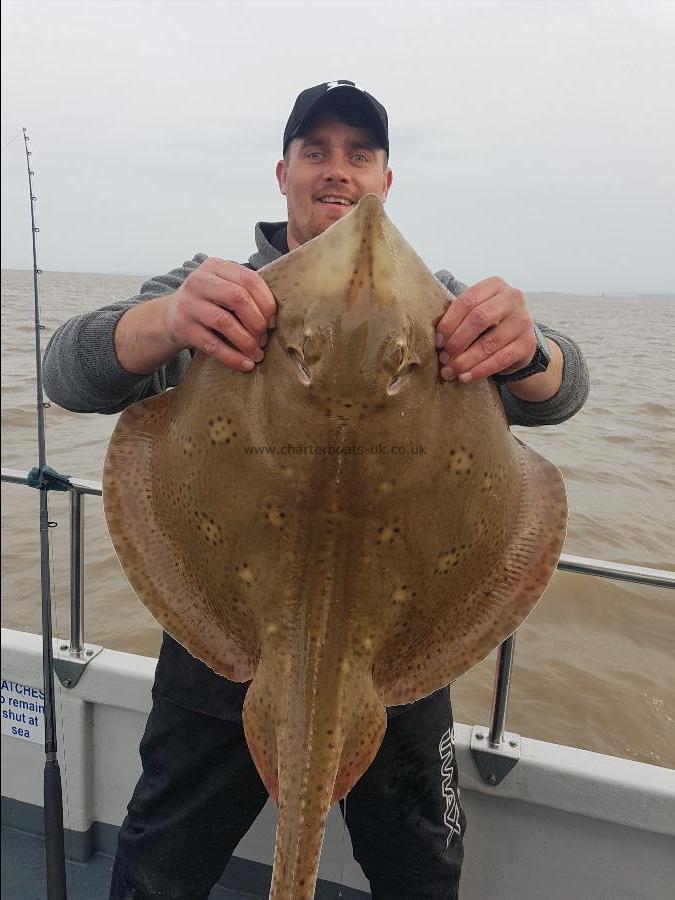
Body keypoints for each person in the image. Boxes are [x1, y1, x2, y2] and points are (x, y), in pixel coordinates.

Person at [43, 80, 589, 900]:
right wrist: (165, 321)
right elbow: (65, 371)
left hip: (397, 651)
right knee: (158, 869)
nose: (338, 171)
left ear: (385, 180)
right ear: (283, 172)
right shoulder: (212, 287)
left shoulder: (441, 301)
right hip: (220, 634)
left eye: (359, 154)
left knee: (420, 875)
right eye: (316, 151)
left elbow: (564, 391)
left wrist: (529, 349)